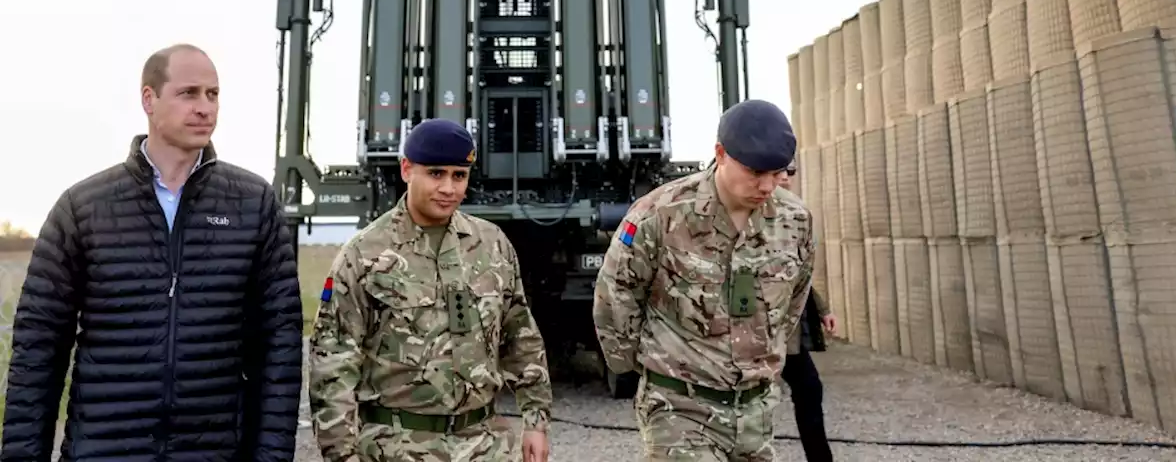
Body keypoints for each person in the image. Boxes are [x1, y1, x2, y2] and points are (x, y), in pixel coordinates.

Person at [1, 43, 303, 462]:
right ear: (149, 99)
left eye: (213, 95)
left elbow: (279, 346)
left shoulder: (253, 204)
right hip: (104, 451)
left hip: (213, 452)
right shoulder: (84, 207)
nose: (205, 108)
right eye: (189, 93)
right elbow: (38, 348)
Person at [309, 118, 553, 462]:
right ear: (407, 169)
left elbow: (520, 337)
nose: (449, 188)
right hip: (395, 448)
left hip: (483, 447)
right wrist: (341, 453)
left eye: (459, 176)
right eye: (436, 174)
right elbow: (333, 363)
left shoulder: (491, 246)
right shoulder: (365, 254)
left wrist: (536, 421)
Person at [593, 99, 816, 461]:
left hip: (755, 412)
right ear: (721, 154)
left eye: (776, 174)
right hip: (680, 409)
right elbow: (616, 296)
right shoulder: (660, 214)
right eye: (755, 173)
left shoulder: (795, 221)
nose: (766, 186)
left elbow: (793, 302)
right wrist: (652, 368)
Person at [777, 160, 836, 462]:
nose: (785, 178)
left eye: (790, 171)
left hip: (787, 331)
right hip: (751, 331)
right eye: (778, 171)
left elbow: (799, 274)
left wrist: (821, 309)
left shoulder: (793, 215)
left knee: (810, 390)